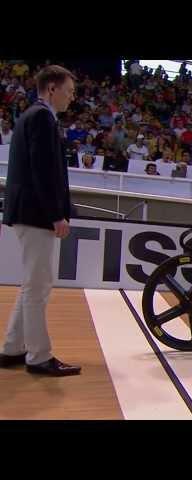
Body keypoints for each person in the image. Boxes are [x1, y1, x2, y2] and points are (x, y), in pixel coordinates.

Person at [0, 65, 81, 376]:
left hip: (27, 211)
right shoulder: (42, 118)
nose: (71, 98)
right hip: (36, 214)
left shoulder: (33, 117)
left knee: (32, 285)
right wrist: (56, 215)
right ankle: (39, 356)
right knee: (39, 287)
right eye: (69, 91)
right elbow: (44, 172)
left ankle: (12, 348)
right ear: (52, 88)